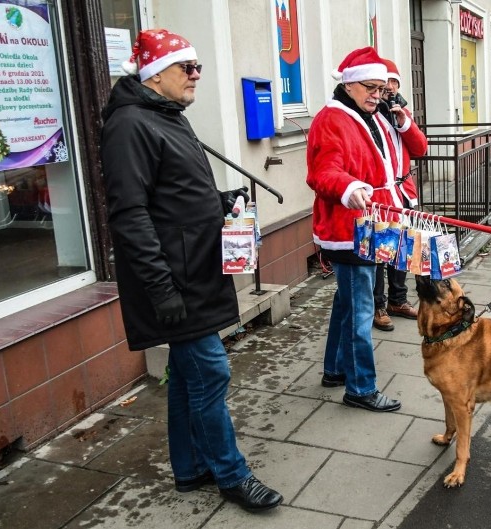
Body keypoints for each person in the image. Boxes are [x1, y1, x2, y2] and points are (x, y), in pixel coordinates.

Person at [100, 28, 282, 512]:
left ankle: (189, 468)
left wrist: (220, 203)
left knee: (185, 378)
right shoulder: (129, 125)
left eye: (198, 65)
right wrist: (161, 289)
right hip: (173, 280)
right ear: (155, 74)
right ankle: (231, 474)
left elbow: (172, 193)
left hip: (196, 270)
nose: (197, 73)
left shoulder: (166, 116)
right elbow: (130, 215)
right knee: (210, 373)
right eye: (187, 67)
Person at [306, 47, 404, 412]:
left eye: (382, 89)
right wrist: (349, 188)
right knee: (361, 308)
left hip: (371, 222)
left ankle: (335, 370)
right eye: (371, 88)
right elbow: (322, 172)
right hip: (349, 228)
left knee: (347, 303)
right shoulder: (331, 119)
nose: (378, 95)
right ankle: (361, 387)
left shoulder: (367, 114)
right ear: (348, 85)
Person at [371, 58, 428, 332]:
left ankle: (398, 299)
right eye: (386, 83)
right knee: (381, 250)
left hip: (403, 190)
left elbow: (420, 148)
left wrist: (404, 121)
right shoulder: (369, 114)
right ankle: (378, 304)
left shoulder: (400, 113)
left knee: (403, 249)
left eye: (394, 82)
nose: (390, 88)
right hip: (381, 194)